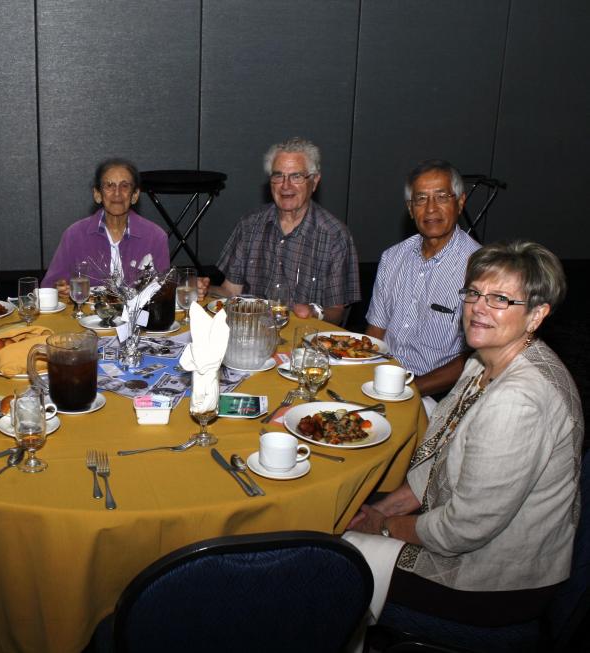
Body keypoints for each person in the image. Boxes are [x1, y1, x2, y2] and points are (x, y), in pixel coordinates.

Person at [348, 242, 583, 633]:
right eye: (474, 293)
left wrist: (381, 526)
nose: (479, 307)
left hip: (496, 581)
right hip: (475, 538)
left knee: (335, 563)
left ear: (537, 315)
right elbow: (437, 461)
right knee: (350, 522)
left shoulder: (517, 402)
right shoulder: (483, 360)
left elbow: (462, 531)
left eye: (501, 299)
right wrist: (382, 510)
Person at [199, 137, 360, 325]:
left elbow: (337, 313)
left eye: (296, 176)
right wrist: (203, 288)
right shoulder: (250, 225)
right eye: (278, 176)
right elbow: (231, 292)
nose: (286, 185)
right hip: (251, 332)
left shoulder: (334, 235)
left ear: (314, 182)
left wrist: (313, 311)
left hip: (304, 339)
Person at [366, 160, 480, 397]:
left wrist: (409, 390)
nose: (430, 209)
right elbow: (375, 332)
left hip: (437, 392)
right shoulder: (392, 258)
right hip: (382, 378)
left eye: (441, 197)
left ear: (460, 203)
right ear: (410, 209)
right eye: (421, 199)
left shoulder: (479, 268)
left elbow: (474, 358)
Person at [42, 158, 169, 295]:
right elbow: (49, 288)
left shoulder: (155, 237)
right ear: (97, 194)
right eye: (109, 185)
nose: (117, 193)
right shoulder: (74, 235)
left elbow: (166, 291)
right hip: (87, 314)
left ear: (135, 195)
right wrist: (59, 290)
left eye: (125, 186)